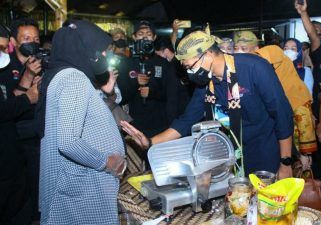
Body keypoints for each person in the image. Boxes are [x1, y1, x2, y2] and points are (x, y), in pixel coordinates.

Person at [121, 30, 294, 178]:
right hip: (229, 156)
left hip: (265, 153)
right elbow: (186, 121)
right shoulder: (206, 84)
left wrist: (286, 163)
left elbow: (282, 115)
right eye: (187, 69)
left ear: (208, 54)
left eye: (191, 66)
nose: (190, 73)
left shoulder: (254, 68)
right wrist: (150, 142)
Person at [37, 20, 126, 225]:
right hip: (82, 188)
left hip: (79, 183)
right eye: (102, 51)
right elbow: (68, 141)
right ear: (86, 48)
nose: (105, 56)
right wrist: (106, 162)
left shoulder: (61, 74)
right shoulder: (73, 79)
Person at [2, 17, 43, 223]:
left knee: (35, 195)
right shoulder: (5, 68)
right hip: (14, 141)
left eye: (35, 38)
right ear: (14, 41)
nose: (32, 42)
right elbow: (8, 107)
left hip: (37, 140)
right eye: (26, 38)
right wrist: (27, 85)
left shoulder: (43, 63)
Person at [117, 20, 180, 138]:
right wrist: (136, 84)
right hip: (135, 125)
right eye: (140, 34)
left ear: (154, 37)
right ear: (134, 37)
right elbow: (120, 96)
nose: (145, 37)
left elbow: (172, 95)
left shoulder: (163, 63)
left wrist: (152, 93)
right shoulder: (125, 64)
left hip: (161, 125)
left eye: (149, 34)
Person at [256, 46, 317, 165]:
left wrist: (303, 155)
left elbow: (305, 130)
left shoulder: (298, 95)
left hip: (294, 155)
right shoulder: (270, 88)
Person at [154, 36, 193, 115]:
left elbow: (172, 97)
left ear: (166, 51)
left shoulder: (172, 68)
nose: (158, 58)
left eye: (158, 55)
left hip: (180, 112)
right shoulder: (181, 62)